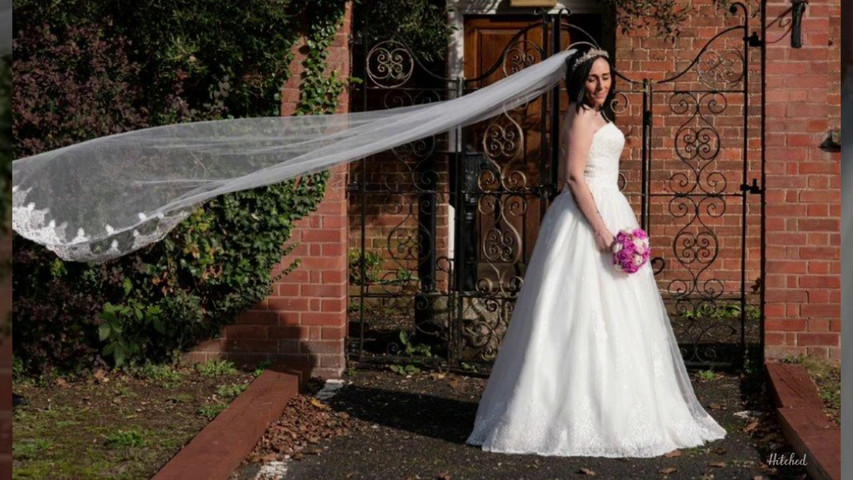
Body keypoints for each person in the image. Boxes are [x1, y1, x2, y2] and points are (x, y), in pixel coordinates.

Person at [464, 45, 727, 458]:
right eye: (592, 78)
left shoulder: (597, 114)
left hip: (610, 204)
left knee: (618, 311)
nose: (601, 85)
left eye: (605, 77)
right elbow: (572, 176)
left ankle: (622, 404)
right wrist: (603, 230)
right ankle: (563, 409)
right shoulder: (583, 117)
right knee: (574, 311)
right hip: (589, 216)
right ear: (578, 81)